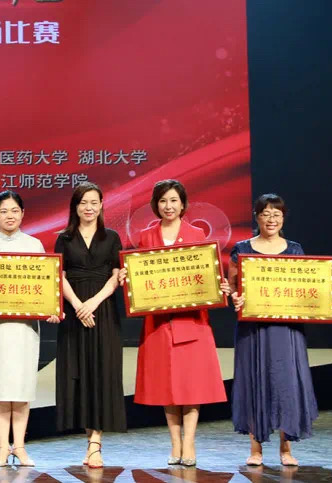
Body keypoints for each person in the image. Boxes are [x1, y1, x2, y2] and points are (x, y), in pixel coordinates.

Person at [226, 193, 332, 467]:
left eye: (276, 214)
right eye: (265, 214)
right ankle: (255, 449)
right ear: (256, 217)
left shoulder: (294, 249)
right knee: (254, 381)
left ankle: (286, 448)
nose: (271, 219)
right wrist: (235, 297)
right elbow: (232, 285)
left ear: (283, 218)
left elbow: (309, 288)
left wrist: (330, 304)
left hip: (287, 329)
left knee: (286, 384)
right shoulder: (242, 249)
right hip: (252, 329)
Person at [122, 179, 230, 467]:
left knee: (191, 386)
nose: (168, 206)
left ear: (183, 204)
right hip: (158, 324)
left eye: (173, 200)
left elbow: (207, 277)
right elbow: (140, 278)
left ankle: (190, 443)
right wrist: (128, 279)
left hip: (192, 322)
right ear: (155, 205)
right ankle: (175, 444)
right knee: (167, 386)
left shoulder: (197, 234)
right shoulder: (146, 236)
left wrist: (219, 286)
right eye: (162, 201)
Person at [0, 190, 58, 468]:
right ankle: (2, 448)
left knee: (21, 391)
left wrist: (51, 307)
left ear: (22, 213)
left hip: (24, 329)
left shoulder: (34, 245)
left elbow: (44, 285)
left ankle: (19, 447)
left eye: (14, 211)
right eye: (4, 211)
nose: (9, 216)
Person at [54, 182, 126, 468]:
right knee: (80, 375)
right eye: (83, 202)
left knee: (102, 373)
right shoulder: (64, 238)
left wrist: (92, 303)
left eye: (94, 202)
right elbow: (59, 276)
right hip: (74, 311)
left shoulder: (112, 237)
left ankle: (95, 443)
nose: (89, 207)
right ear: (75, 206)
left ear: (101, 205)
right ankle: (89, 441)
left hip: (103, 310)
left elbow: (116, 275)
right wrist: (77, 305)